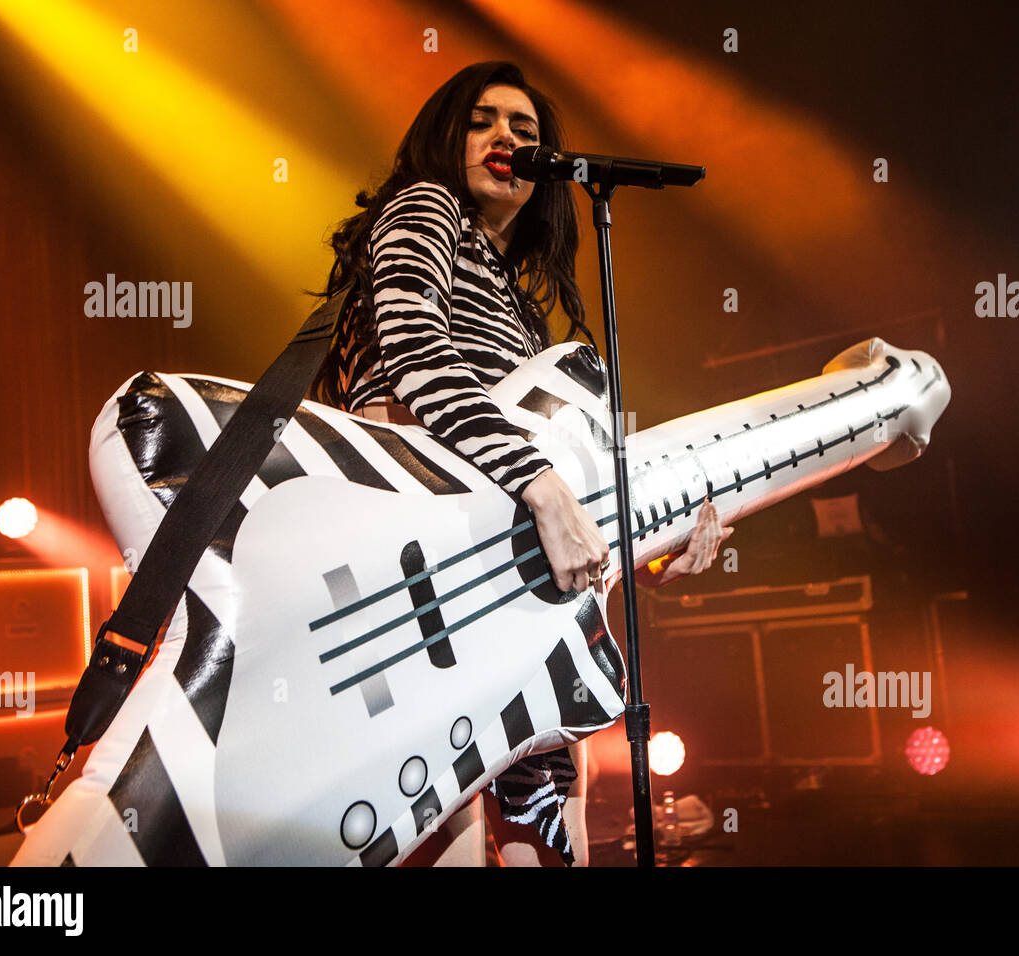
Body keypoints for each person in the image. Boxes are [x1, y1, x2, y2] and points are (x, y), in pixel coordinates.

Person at [308, 61, 732, 866]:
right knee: (452, 845)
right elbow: (414, 350)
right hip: (418, 577)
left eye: (527, 131)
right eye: (484, 122)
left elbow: (562, 494)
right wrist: (544, 490)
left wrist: (651, 554)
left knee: (550, 841)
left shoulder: (520, 309)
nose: (508, 138)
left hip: (503, 607)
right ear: (445, 140)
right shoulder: (425, 208)